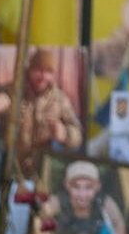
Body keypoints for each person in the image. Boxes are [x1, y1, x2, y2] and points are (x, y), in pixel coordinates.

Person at [9, 50, 84, 182]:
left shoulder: (60, 99)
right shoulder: (12, 92)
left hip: (42, 173)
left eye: (48, 72)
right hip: (9, 170)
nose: (43, 76)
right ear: (30, 70)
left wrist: (64, 134)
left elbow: (77, 135)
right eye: (38, 70)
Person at [41, 158, 128, 234]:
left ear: (98, 186)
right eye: (76, 187)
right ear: (67, 185)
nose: (82, 194)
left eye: (88, 187)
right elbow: (41, 217)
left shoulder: (105, 203)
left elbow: (120, 226)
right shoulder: (59, 201)